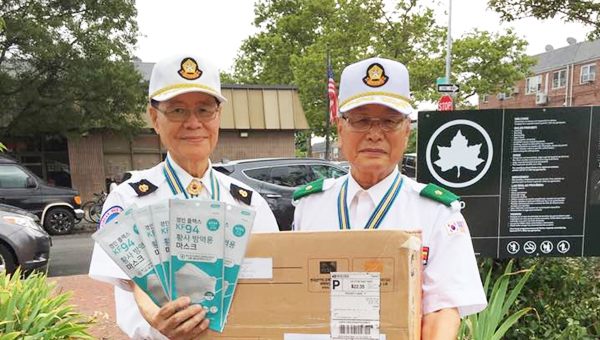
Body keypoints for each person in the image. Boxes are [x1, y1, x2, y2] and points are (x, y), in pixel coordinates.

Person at [292, 57, 487, 340]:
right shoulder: (310, 206)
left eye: (389, 121)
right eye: (360, 121)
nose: (374, 134)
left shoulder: (437, 213)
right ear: (340, 128)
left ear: (406, 130)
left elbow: (442, 311)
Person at [88, 52, 279, 340]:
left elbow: (272, 280)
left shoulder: (249, 202)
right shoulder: (128, 200)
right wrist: (157, 320)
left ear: (218, 117)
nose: (193, 123)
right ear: (154, 118)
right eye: (177, 110)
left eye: (204, 110)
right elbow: (131, 284)